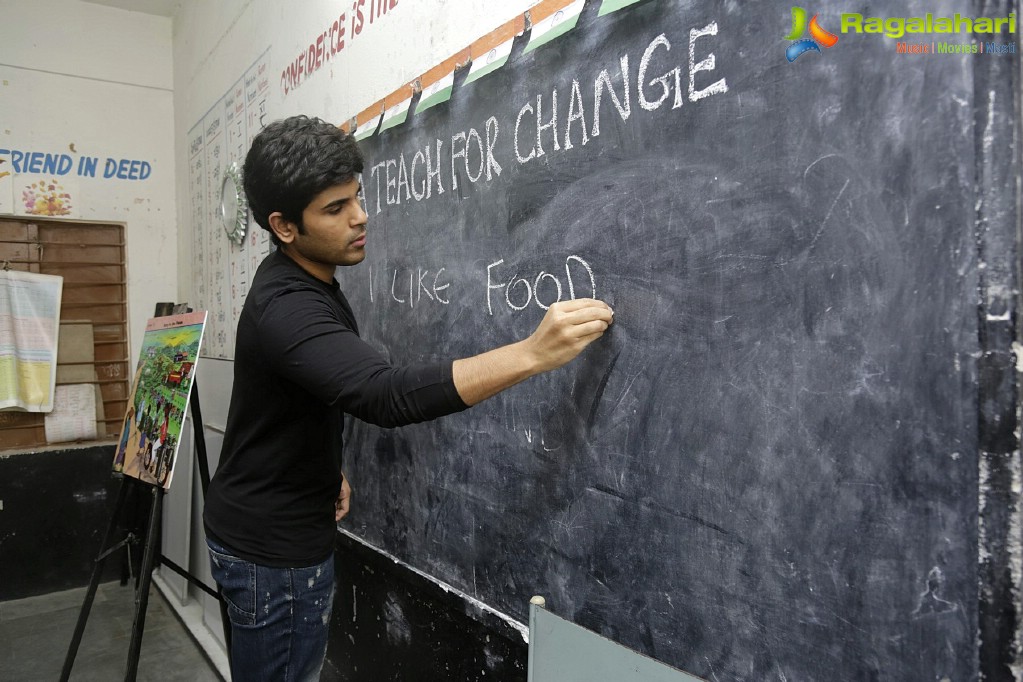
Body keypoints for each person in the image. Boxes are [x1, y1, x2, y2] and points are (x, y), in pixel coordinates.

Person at [202, 115, 614, 681]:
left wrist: (322, 469)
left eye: (358, 198)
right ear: (284, 225)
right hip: (273, 560)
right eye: (335, 208)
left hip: (271, 525)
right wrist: (532, 354)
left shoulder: (301, 278)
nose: (360, 217)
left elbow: (292, 399)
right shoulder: (288, 306)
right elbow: (383, 394)